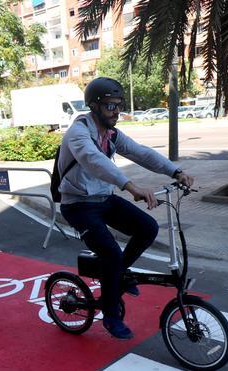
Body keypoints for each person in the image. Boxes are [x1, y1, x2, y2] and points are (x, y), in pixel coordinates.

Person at [56, 77, 195, 340]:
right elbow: (93, 160)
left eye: (119, 106)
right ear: (94, 106)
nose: (116, 112)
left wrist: (176, 171)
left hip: (103, 199)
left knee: (147, 228)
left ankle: (117, 276)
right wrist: (129, 185)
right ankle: (110, 315)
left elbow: (141, 153)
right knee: (110, 253)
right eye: (110, 106)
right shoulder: (79, 132)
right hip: (78, 205)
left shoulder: (112, 134)